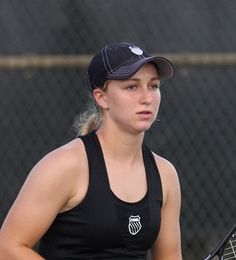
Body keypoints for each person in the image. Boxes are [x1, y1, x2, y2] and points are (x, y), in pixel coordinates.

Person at [0, 42, 182, 259]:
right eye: (132, 87)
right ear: (101, 97)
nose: (147, 97)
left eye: (153, 86)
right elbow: (8, 247)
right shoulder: (64, 165)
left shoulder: (165, 174)